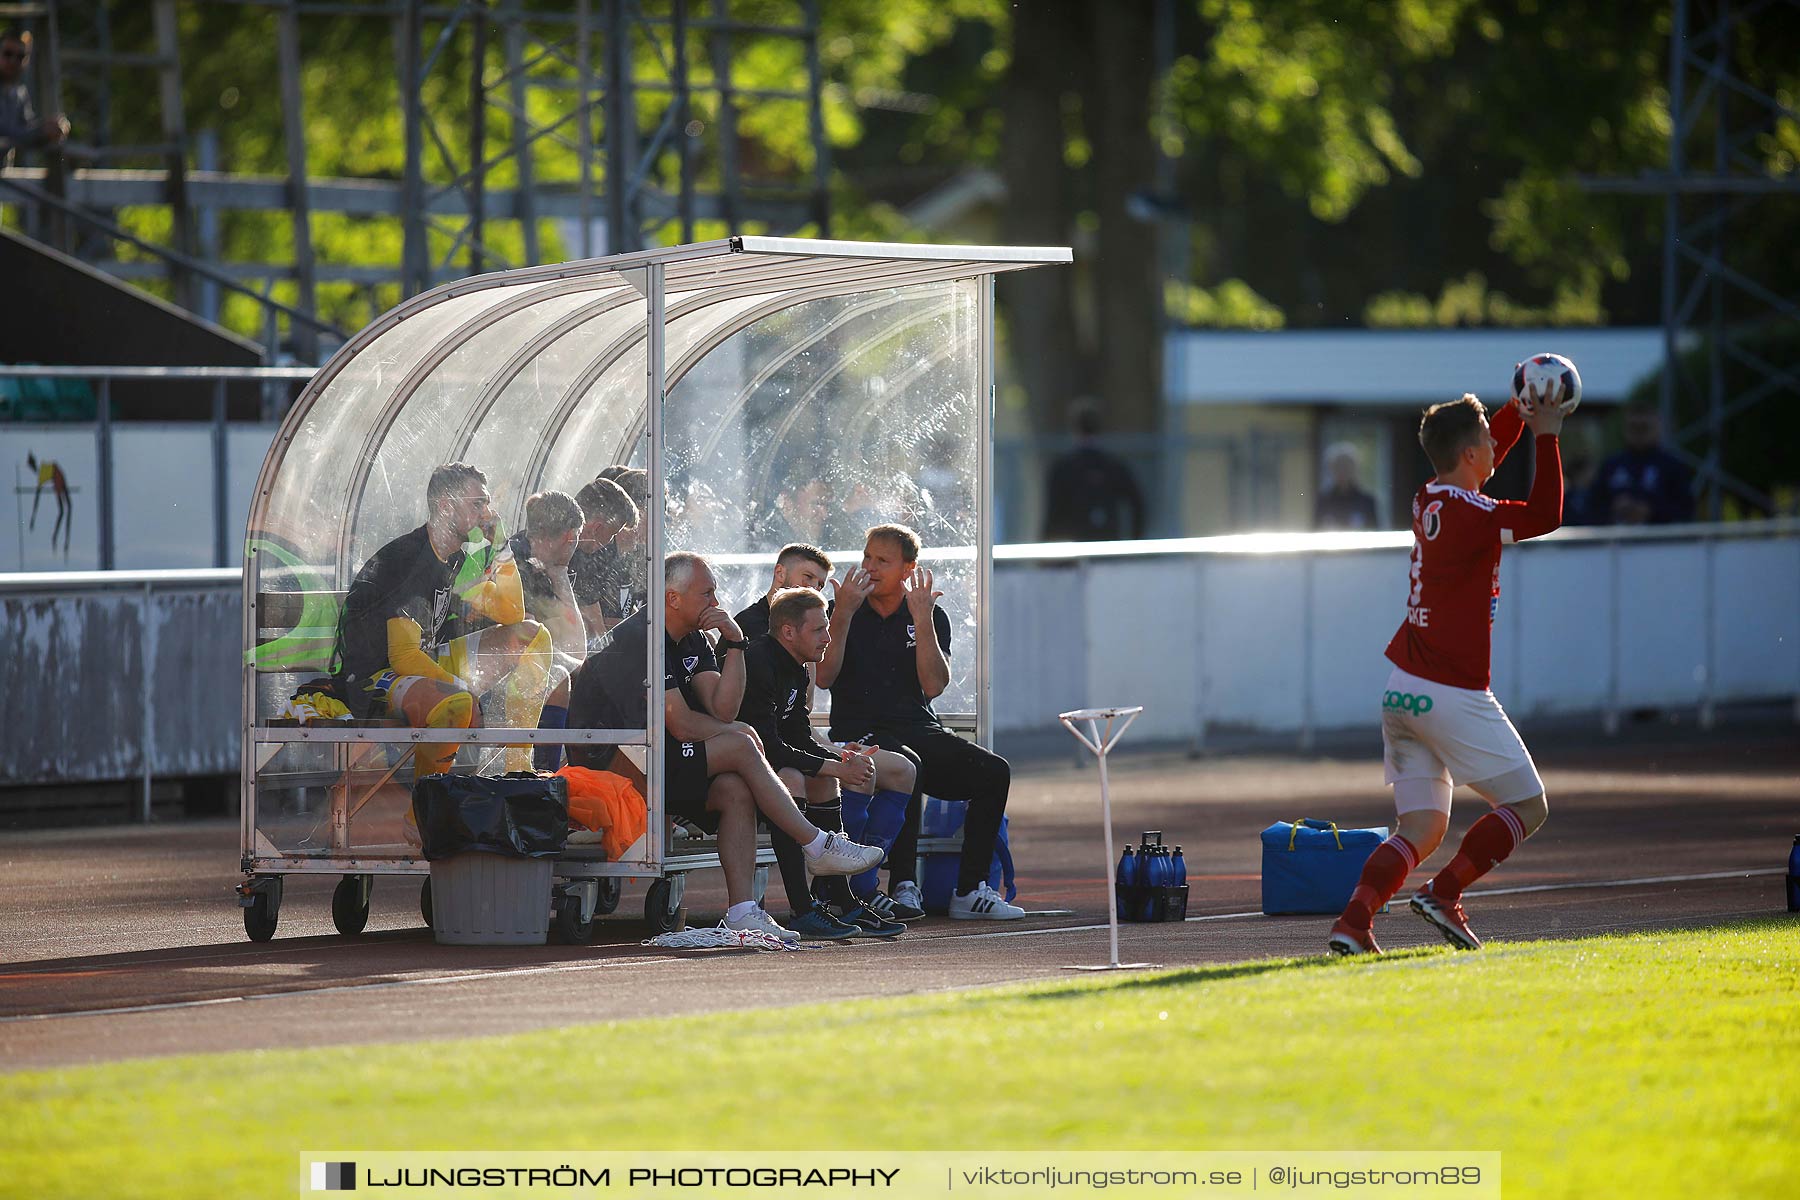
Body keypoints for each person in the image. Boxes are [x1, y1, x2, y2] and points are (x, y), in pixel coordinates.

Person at [1327, 382, 1568, 956]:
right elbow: (1546, 514)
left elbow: (1478, 456)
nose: (1494, 450)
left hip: (1402, 690)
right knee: (1529, 807)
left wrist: (1516, 413)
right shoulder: (1475, 515)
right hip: (1450, 693)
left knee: (1421, 829)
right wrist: (1548, 434)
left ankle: (1353, 923)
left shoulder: (1427, 497)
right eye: (1487, 443)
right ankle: (1445, 891)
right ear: (1468, 454)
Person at [565, 552, 885, 940]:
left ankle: (742, 910)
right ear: (673, 598)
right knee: (740, 743)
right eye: (707, 594)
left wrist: (734, 643)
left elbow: (723, 705)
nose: (715, 603)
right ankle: (816, 844)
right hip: (614, 762)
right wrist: (740, 734)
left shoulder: (694, 637)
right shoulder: (641, 638)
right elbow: (682, 724)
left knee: (735, 789)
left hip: (655, 756)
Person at [818, 523, 1024, 919]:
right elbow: (824, 677)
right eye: (867, 557)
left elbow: (934, 686)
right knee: (906, 762)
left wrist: (921, 617)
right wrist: (841, 614)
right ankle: (903, 883)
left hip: (918, 727)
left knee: (994, 772)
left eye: (883, 560)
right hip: (860, 732)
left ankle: (970, 891)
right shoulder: (841, 610)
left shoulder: (929, 614)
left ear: (908, 569)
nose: (871, 567)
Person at [331, 463, 555, 778]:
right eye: (477, 504)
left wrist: (502, 547)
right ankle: (423, 810)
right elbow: (403, 656)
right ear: (445, 505)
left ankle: (519, 769)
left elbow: (512, 613)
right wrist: (464, 688)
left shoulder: (456, 557)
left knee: (533, 636)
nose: (487, 513)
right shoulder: (411, 559)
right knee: (458, 703)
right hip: (373, 678)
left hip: (423, 661)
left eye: (487, 503)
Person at [744, 586, 919, 938]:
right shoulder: (759, 661)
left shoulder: (798, 665)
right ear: (788, 631)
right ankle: (802, 909)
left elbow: (800, 736)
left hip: (764, 761)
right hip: (732, 768)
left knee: (823, 778)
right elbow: (770, 747)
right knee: (794, 776)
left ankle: (843, 900)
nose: (828, 637)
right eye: (819, 629)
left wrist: (841, 758)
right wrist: (838, 766)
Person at [507, 490, 588, 770]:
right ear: (570, 537)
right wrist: (560, 576)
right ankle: (544, 774)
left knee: (582, 673)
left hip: (525, 656)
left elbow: (574, 647)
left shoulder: (542, 561)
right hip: (492, 661)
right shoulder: (516, 561)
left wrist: (559, 574)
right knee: (560, 678)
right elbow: (575, 647)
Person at [1042, 403, 1146, 541]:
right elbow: (1137, 503)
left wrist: (1048, 545)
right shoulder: (1113, 466)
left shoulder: (1063, 467)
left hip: (1073, 544)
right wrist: (1134, 538)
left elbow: (1053, 512)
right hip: (1107, 541)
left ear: (1074, 428)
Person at [1589, 406, 1695, 525]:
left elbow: (1686, 510)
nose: (1638, 433)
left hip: (1659, 539)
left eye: (1644, 428)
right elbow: (1592, 507)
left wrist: (1651, 511)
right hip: (1616, 539)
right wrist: (1614, 508)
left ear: (1657, 428)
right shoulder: (1611, 465)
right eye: (1633, 427)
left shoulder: (1673, 466)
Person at [568, 476, 640, 637]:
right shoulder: (542, 549)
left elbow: (597, 629)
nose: (610, 543)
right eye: (613, 534)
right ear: (596, 528)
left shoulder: (587, 558)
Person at [735, 542, 833, 642]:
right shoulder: (745, 625)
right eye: (808, 577)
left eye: (821, 585)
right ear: (780, 573)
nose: (814, 588)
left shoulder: (813, 632)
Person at [0, 29, 68, 168]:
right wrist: (42, 131)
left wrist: (52, 129)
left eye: (20, 56)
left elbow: (26, 129)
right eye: (8, 54)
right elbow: (7, 133)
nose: (13, 61)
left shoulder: (19, 93)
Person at [1314, 443, 1380, 531]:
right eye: (1339, 466)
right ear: (1332, 469)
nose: (1343, 470)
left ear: (1355, 468)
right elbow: (1315, 531)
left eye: (1347, 465)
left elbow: (1375, 533)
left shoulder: (1367, 502)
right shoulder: (1323, 501)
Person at [25, 451, 71, 557]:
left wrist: (33, 518)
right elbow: (37, 498)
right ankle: (58, 539)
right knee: (65, 509)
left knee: (64, 510)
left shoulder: (41, 473)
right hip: (57, 474)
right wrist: (33, 518)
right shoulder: (41, 474)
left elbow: (37, 499)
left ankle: (60, 540)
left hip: (57, 474)